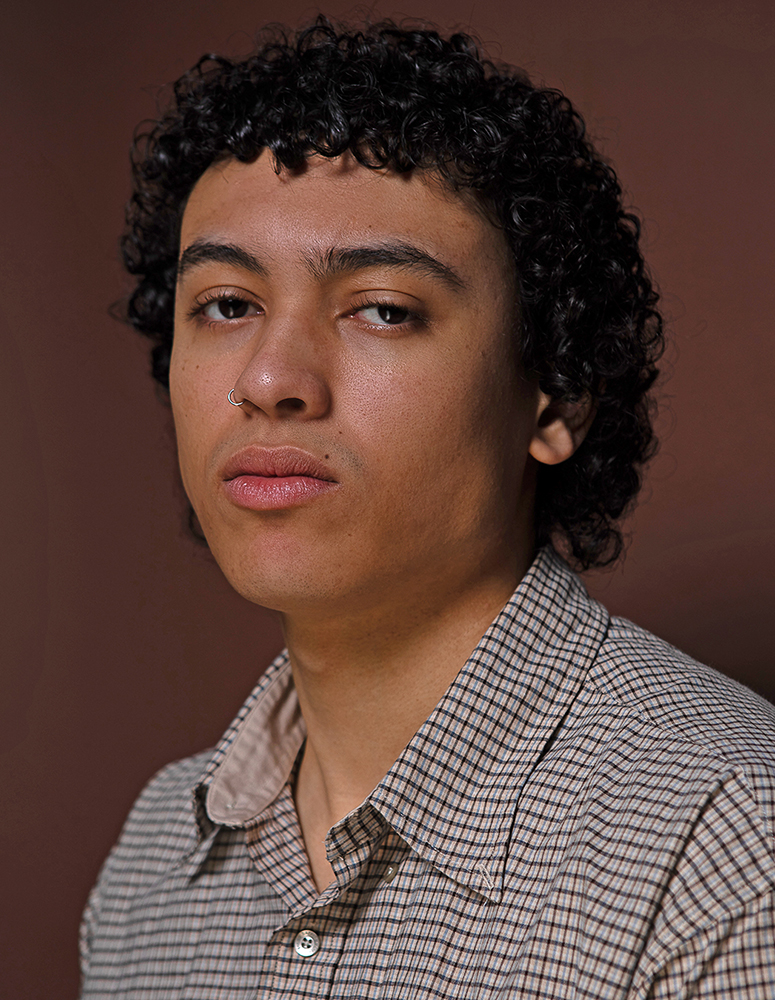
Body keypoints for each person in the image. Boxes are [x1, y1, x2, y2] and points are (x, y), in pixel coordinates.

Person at [79, 17, 775, 998]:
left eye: (383, 309)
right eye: (227, 305)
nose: (269, 379)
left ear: (554, 399)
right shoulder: (153, 863)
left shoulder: (725, 841)